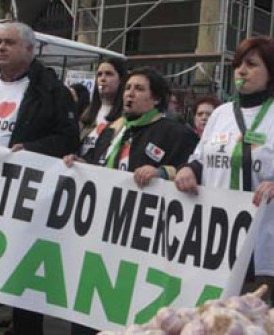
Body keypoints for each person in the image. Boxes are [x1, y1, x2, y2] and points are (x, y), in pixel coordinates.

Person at [0, 22, 79, 335]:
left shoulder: (51, 90)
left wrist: (31, 149)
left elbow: (67, 139)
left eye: (9, 42)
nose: (1, 48)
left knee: (23, 281)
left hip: (25, 199)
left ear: (30, 50)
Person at [173, 36, 274, 300]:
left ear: (271, 74)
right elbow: (202, 158)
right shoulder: (220, 115)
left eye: (251, 64)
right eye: (237, 64)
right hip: (213, 241)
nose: (241, 71)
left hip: (258, 245)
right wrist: (188, 170)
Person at [62, 68, 198, 334]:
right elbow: (98, 167)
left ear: (156, 98)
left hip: (142, 242)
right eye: (127, 88)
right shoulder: (113, 130)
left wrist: (163, 173)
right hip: (100, 235)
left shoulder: (174, 132)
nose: (129, 94)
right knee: (86, 308)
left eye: (139, 89)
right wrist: (81, 165)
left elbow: (192, 171)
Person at [79, 58, 126, 156]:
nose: (103, 79)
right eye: (99, 74)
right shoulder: (87, 113)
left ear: (121, 80)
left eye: (109, 74)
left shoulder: (126, 115)